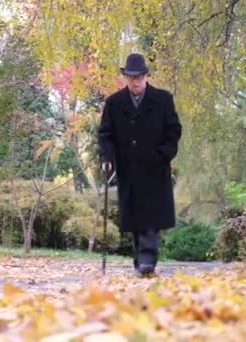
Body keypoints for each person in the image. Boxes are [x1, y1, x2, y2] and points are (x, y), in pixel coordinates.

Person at [98, 53, 182, 276]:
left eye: (140, 76)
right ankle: (140, 259)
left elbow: (174, 131)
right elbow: (105, 134)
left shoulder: (163, 99)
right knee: (135, 219)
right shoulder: (114, 103)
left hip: (154, 168)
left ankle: (147, 259)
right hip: (129, 169)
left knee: (151, 218)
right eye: (131, 77)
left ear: (146, 76)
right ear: (125, 77)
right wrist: (107, 159)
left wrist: (163, 155)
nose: (136, 81)